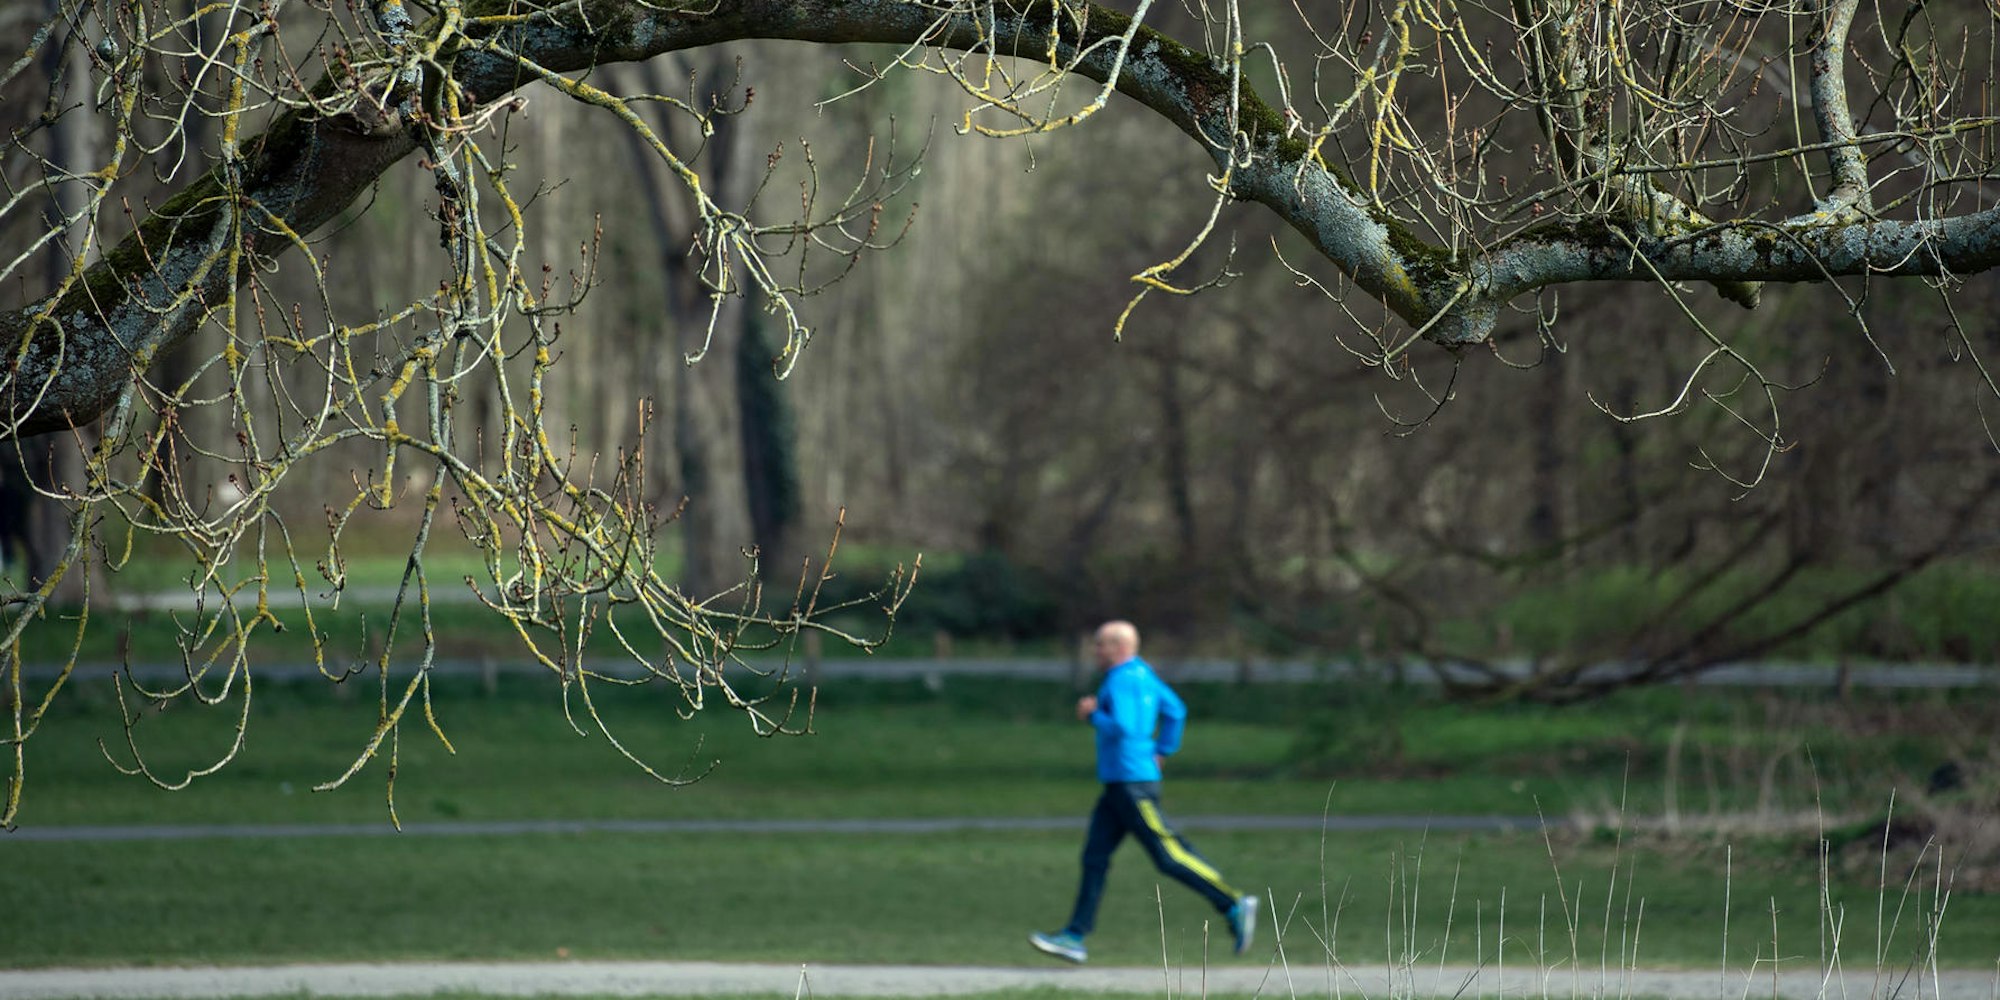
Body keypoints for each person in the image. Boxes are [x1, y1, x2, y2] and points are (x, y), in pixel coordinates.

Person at [1029, 620, 1258, 964]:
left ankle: (1232, 903)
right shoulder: (1143, 674)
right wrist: (1163, 749)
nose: (1095, 651)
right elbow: (1176, 711)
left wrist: (1093, 715)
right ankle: (1074, 936)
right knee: (1095, 858)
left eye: (1101, 645)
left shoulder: (1121, 678)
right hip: (1119, 784)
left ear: (1120, 647)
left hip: (1131, 783)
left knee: (1168, 854)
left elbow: (1125, 727)